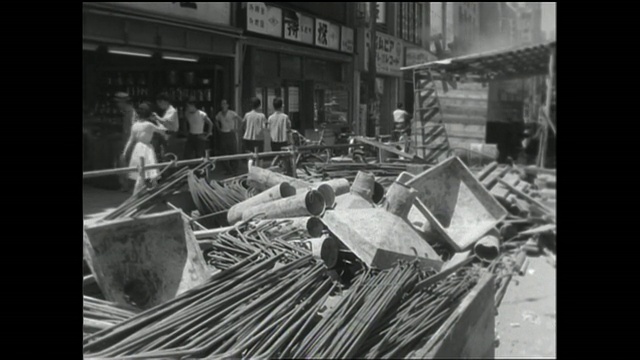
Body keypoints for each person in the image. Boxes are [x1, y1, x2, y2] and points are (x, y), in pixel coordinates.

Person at [122, 102, 168, 194]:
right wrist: (157, 120)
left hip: (137, 148)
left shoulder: (135, 125)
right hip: (147, 148)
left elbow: (130, 140)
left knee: (141, 172)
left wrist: (125, 152)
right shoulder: (149, 125)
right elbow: (163, 131)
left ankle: (140, 192)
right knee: (151, 171)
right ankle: (148, 192)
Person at [114, 92, 137, 192]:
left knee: (126, 163)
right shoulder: (126, 112)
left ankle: (128, 186)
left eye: (119, 102)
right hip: (126, 140)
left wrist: (129, 143)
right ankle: (125, 185)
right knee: (123, 163)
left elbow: (132, 129)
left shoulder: (131, 113)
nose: (117, 104)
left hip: (129, 141)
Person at [216, 99, 242, 173]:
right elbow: (216, 120)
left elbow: (241, 120)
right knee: (224, 152)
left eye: (224, 104)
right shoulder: (219, 114)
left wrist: (238, 130)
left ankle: (235, 169)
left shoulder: (232, 113)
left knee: (233, 151)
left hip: (230, 133)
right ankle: (228, 169)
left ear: (227, 105)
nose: (223, 106)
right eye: (222, 104)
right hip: (223, 134)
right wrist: (218, 129)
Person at [151, 92, 179, 159]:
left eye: (159, 103)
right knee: (163, 155)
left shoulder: (172, 111)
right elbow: (163, 124)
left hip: (169, 135)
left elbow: (165, 121)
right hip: (164, 135)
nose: (159, 106)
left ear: (164, 101)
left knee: (168, 155)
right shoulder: (166, 111)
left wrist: (156, 116)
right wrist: (155, 120)